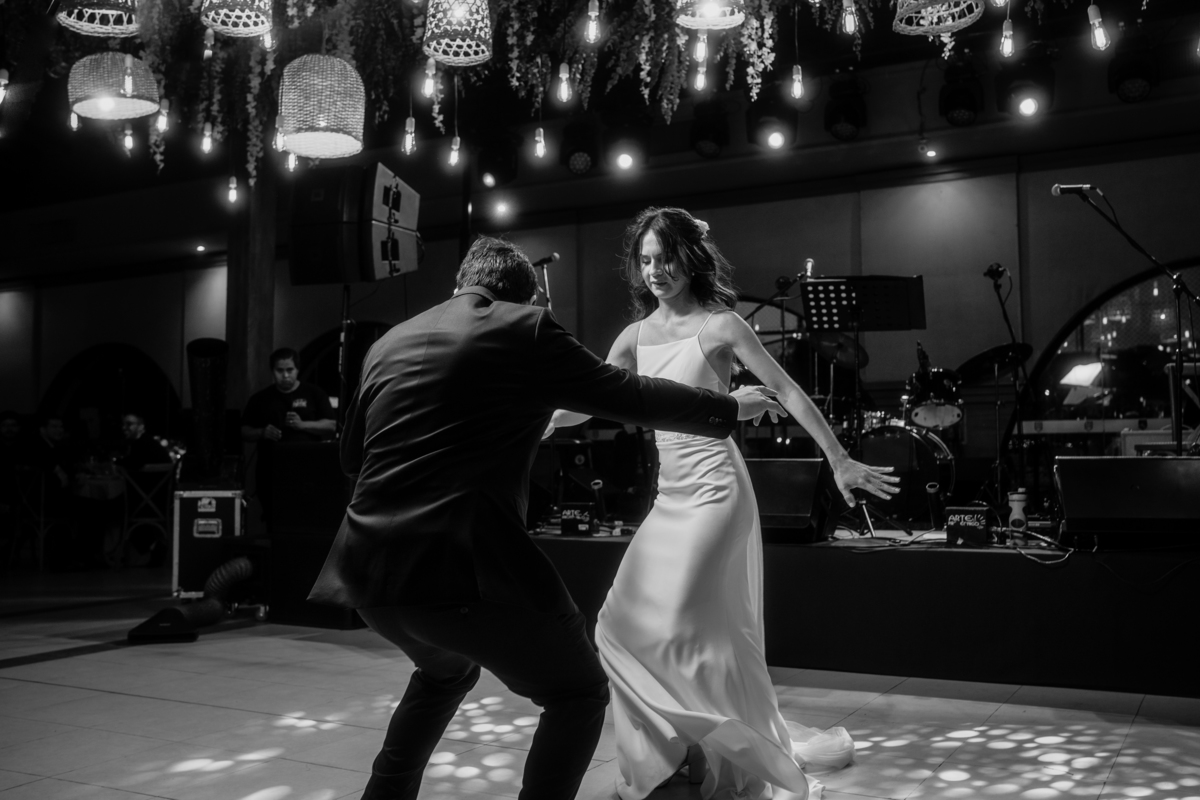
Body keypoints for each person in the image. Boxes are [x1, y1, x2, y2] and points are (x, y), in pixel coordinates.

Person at [307, 236, 786, 800]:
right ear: (526, 297)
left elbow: (349, 457)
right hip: (463, 567)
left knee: (445, 673)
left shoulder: (387, 341)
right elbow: (626, 395)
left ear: (461, 283)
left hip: (366, 574)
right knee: (579, 692)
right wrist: (729, 407)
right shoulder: (524, 328)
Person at [547, 208, 899, 800]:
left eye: (666, 258)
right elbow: (591, 400)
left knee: (683, 618)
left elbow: (786, 391)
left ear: (690, 258)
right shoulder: (633, 337)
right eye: (646, 260)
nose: (655, 270)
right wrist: (538, 423)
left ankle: (702, 748)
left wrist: (839, 458)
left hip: (716, 492)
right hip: (671, 496)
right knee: (619, 623)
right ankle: (688, 747)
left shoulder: (722, 326)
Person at [241, 348, 336, 521]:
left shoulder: (314, 394)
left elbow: (331, 425)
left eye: (289, 370)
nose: (285, 375)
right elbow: (244, 431)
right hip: (270, 471)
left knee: (306, 518)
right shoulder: (260, 399)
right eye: (280, 370)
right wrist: (262, 432)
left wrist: (303, 425)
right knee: (273, 518)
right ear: (273, 371)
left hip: (307, 470)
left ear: (297, 369)